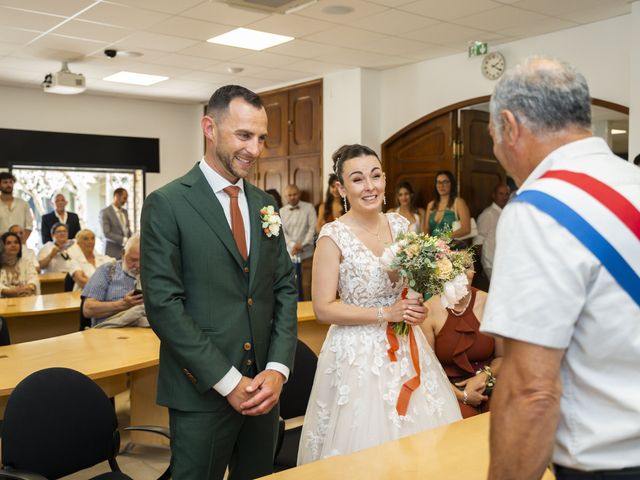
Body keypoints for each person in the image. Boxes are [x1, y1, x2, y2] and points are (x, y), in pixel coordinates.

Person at [480, 57, 640, 480]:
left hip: (610, 464)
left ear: (510, 127)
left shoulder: (540, 210)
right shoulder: (632, 184)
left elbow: (532, 391)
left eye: (494, 137)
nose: (497, 152)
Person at [140, 85, 298, 479]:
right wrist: (228, 382)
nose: (255, 149)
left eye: (261, 138)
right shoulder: (168, 203)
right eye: (244, 135)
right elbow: (164, 305)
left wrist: (277, 369)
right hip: (202, 391)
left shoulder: (265, 204)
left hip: (264, 391)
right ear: (209, 128)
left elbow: (283, 288)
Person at [297, 144, 461, 465]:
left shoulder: (401, 226)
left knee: (421, 449)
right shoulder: (333, 237)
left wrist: (416, 305)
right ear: (341, 188)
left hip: (405, 344)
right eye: (358, 180)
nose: (369, 186)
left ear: (385, 180)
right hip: (356, 354)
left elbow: (413, 283)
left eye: (375, 176)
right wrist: (386, 313)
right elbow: (324, 309)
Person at [421, 263, 503, 418]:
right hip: (449, 388)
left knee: (503, 413)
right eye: (454, 268)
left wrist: (483, 377)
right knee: (462, 421)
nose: (463, 274)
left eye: (467, 266)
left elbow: (503, 357)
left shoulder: (491, 302)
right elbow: (428, 369)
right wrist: (462, 395)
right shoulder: (429, 311)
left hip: (489, 381)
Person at [82, 234, 143, 327]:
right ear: (123, 254)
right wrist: (123, 304)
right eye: (133, 260)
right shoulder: (107, 270)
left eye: (142, 260)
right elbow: (88, 309)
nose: (138, 265)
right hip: (110, 332)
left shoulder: (153, 273)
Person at [280, 184, 317, 301]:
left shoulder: (309, 207)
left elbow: (313, 228)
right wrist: (292, 245)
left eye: (294, 194)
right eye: (289, 195)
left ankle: (310, 315)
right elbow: (281, 231)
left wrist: (302, 244)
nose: (292, 197)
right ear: (285, 196)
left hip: (307, 254)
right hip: (290, 256)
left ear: (299, 194)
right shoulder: (281, 211)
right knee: (291, 287)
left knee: (307, 286)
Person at [473, 183, 510, 280]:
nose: (504, 197)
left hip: (505, 264)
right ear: (494, 195)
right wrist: (485, 266)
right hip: (491, 265)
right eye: (501, 194)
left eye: (506, 194)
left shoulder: (507, 213)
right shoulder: (488, 214)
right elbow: (478, 242)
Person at [423, 170, 471, 239]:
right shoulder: (431, 205)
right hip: (433, 247)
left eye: (445, 182)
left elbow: (466, 229)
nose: (441, 185)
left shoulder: (459, 202)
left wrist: (443, 238)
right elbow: (426, 229)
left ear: (452, 184)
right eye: (438, 182)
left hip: (453, 247)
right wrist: (428, 243)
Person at [0, 231, 39, 297]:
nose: (13, 245)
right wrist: (9, 291)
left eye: (16, 242)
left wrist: (29, 287)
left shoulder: (27, 263)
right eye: (8, 243)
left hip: (26, 299)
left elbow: (34, 278)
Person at [99, 187, 131, 260]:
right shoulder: (105, 212)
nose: (125, 201)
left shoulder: (125, 212)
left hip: (125, 252)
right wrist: (124, 240)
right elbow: (107, 233)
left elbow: (127, 229)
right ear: (116, 196)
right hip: (112, 252)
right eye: (124, 198)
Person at [0, 172, 33, 241]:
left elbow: (29, 226)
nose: (9, 185)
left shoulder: (23, 204)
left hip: (19, 244)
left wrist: (22, 241)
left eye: (11, 182)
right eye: (5, 182)